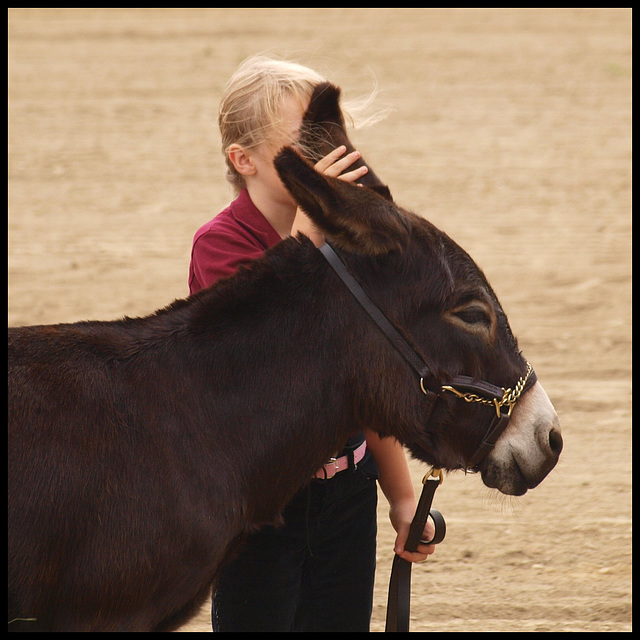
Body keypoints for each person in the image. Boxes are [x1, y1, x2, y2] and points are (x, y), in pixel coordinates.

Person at [188, 54, 436, 632]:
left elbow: (364, 383)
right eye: (304, 143)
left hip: (348, 494)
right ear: (243, 159)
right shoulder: (218, 247)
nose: (324, 157)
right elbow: (268, 348)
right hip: (261, 506)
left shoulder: (343, 242)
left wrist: (401, 497)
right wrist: (309, 229)